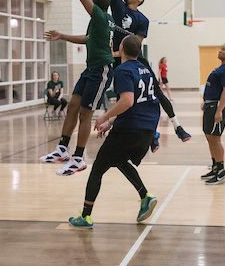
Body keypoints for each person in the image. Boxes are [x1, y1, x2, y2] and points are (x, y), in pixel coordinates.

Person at [86, 0, 191, 149]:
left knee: (155, 92)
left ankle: (177, 126)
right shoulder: (117, 5)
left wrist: (119, 52)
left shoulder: (142, 19)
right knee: (128, 99)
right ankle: (150, 133)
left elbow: (135, 43)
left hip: (134, 58)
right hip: (117, 60)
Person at [68, 35, 159, 228]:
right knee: (117, 160)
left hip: (130, 128)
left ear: (121, 48)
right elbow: (138, 103)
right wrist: (111, 121)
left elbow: (127, 101)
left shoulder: (123, 70)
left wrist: (104, 116)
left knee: (98, 169)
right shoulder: (146, 70)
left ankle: (86, 216)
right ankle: (145, 196)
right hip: (147, 128)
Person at [40, 0, 115, 176]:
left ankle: (79, 158)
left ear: (95, 7)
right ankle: (62, 148)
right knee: (72, 106)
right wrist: (62, 36)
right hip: (90, 70)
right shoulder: (100, 23)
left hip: (101, 71)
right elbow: (86, 39)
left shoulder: (101, 18)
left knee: (85, 113)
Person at [200, 43, 225, 185]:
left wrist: (219, 110)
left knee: (215, 139)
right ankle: (215, 167)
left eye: (223, 50)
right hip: (211, 105)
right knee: (209, 136)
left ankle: (222, 172)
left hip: (217, 106)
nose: (220, 51)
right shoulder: (222, 68)